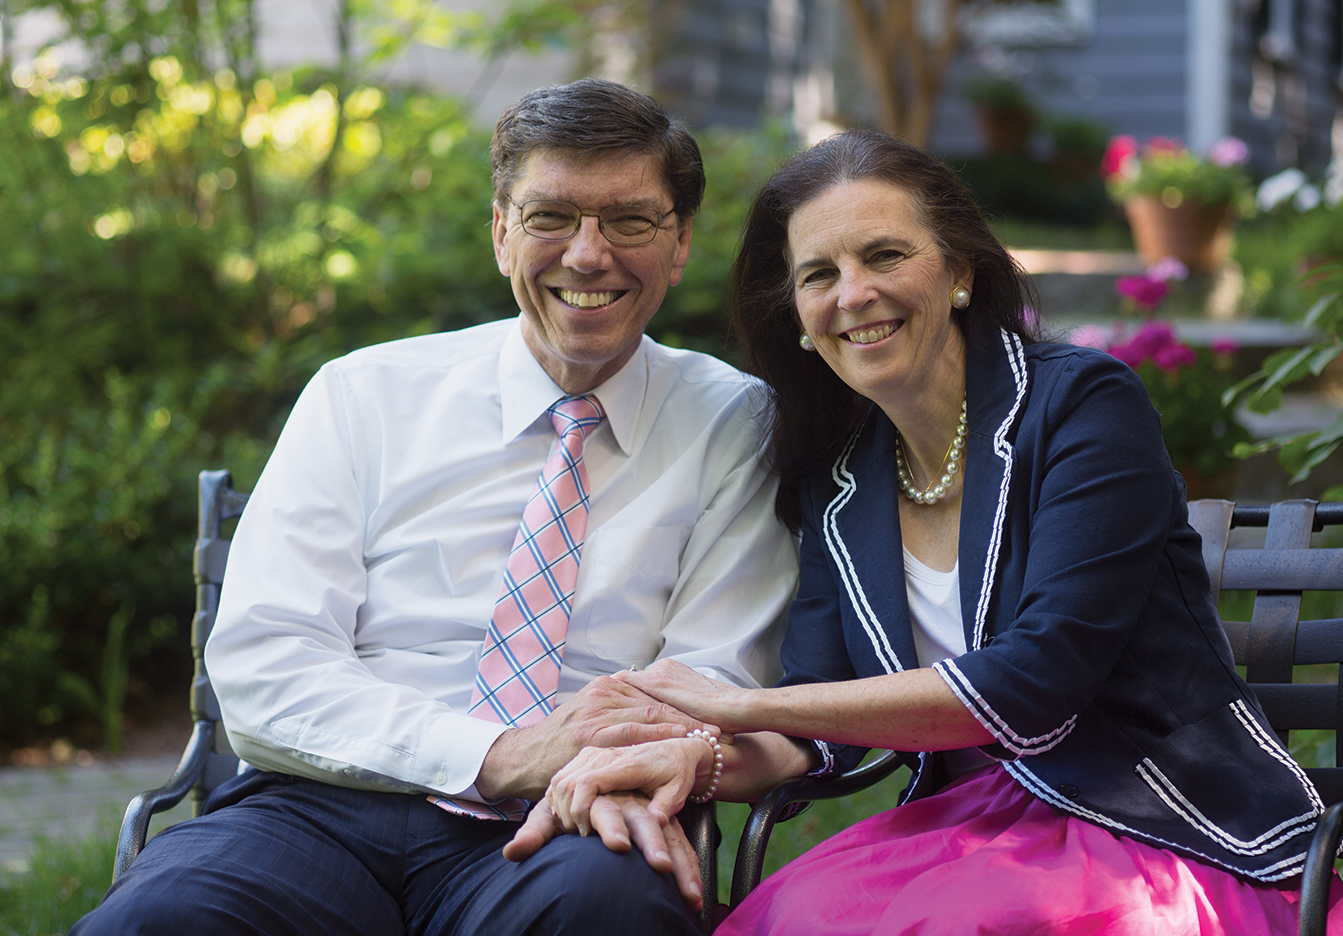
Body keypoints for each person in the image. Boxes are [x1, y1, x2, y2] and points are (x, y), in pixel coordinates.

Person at [506, 129, 1343, 935]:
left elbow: (1037, 679)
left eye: (884, 255)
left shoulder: (1081, 407)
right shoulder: (839, 477)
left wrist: (732, 703)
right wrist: (689, 755)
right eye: (819, 274)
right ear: (799, 316)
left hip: (1162, 821)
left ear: (958, 271)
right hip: (978, 827)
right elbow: (814, 724)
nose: (854, 294)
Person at [72, 78, 798, 936]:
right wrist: (497, 755)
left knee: (614, 910)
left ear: (678, 245)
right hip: (321, 803)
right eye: (550, 217)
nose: (588, 254)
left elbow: (714, 680)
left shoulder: (735, 423)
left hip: (574, 811)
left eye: (630, 221)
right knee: (164, 918)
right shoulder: (365, 393)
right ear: (501, 232)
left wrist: (610, 766)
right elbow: (269, 660)